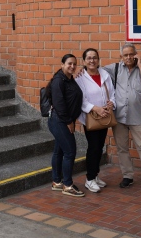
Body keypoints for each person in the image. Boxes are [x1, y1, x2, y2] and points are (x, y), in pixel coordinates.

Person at [103, 43, 141, 192]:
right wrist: (81, 72)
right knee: (122, 148)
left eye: (131, 54)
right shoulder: (114, 68)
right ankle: (127, 176)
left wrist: (140, 65)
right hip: (119, 117)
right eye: (126, 55)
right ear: (121, 57)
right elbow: (95, 71)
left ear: (136, 54)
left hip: (137, 117)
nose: (129, 57)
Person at [75, 48, 116, 194]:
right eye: (89, 58)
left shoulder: (105, 74)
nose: (92, 60)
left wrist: (111, 102)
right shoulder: (80, 78)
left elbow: (112, 93)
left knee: (99, 147)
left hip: (104, 116)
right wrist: (95, 108)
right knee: (93, 148)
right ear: (84, 61)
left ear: (98, 60)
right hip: (91, 118)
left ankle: (95, 175)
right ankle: (89, 179)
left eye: (95, 58)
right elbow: (81, 100)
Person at [48, 54, 85, 197]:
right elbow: (59, 104)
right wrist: (69, 121)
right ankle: (68, 185)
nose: (72, 66)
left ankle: (57, 182)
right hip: (60, 120)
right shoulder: (59, 81)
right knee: (70, 151)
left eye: (74, 64)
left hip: (62, 120)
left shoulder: (68, 79)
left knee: (60, 151)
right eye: (69, 63)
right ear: (62, 64)